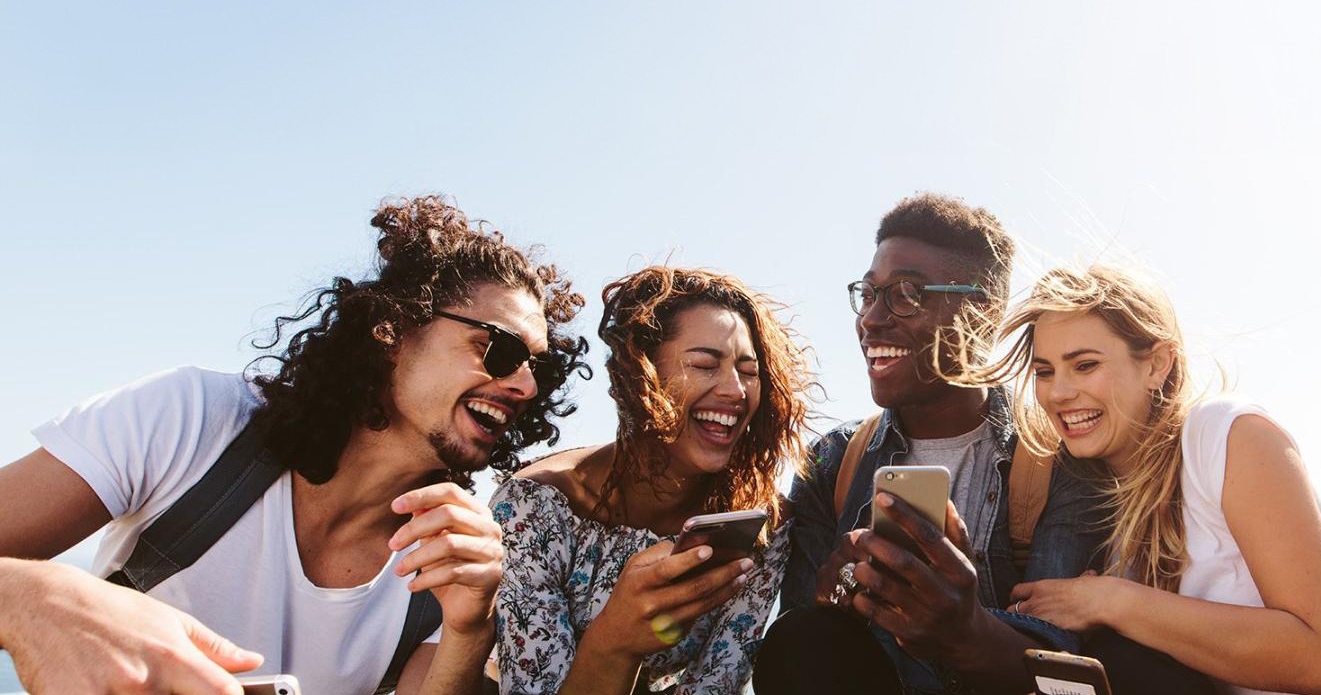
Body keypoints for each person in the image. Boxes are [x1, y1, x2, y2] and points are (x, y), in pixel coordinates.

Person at [0, 195, 588, 694]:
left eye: (542, 369)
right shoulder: (190, 420)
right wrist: (39, 597)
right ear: (394, 331)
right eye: (501, 349)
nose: (526, 384)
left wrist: (469, 630)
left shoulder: (454, 558)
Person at [982, 264, 1321, 695]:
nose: (1059, 393)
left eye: (1085, 365)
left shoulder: (1227, 435)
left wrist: (1112, 601)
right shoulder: (1089, 494)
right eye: (1045, 372)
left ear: (1156, 364)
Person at [754, 193, 1110, 695]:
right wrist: (832, 603)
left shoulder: (1060, 457)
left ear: (983, 313)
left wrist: (965, 631)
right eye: (869, 293)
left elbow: (1067, 668)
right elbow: (794, 651)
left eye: (907, 294)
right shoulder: (834, 461)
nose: (872, 319)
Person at [491, 266, 812, 695]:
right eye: (704, 364)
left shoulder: (760, 523)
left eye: (749, 372)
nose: (735, 390)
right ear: (637, 375)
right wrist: (615, 641)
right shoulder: (534, 506)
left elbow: (716, 682)